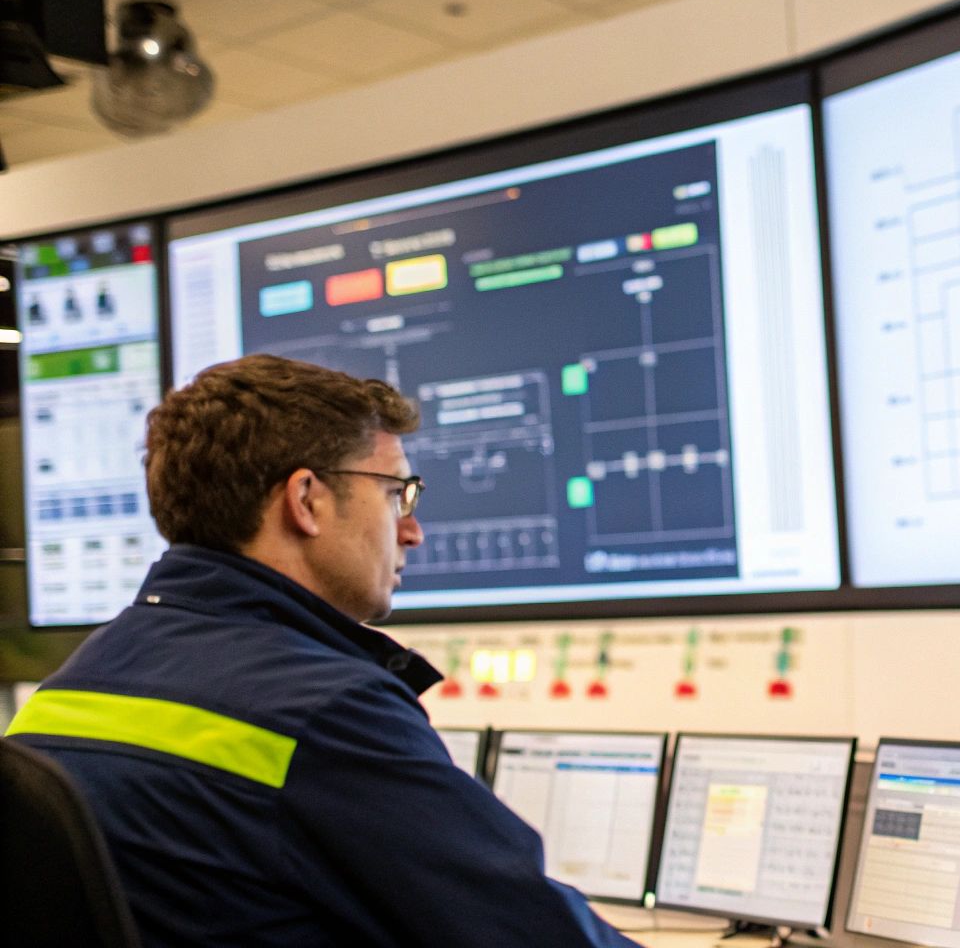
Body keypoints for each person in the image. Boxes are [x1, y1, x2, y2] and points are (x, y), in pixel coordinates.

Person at [6, 354, 642, 948]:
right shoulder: (327, 711)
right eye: (398, 494)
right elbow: (532, 931)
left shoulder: (74, 682)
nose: (412, 531)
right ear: (305, 499)